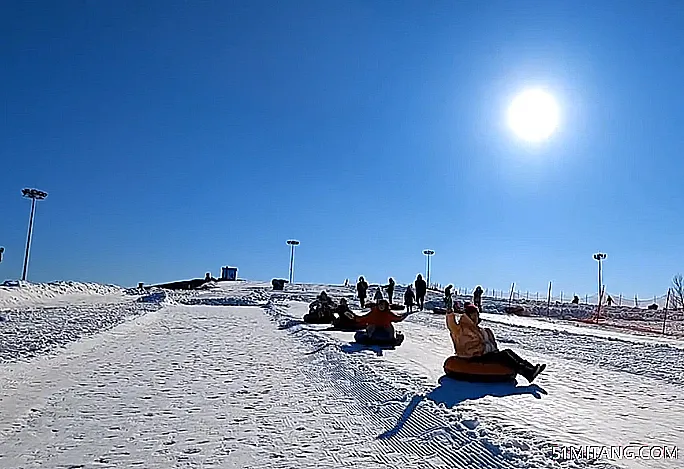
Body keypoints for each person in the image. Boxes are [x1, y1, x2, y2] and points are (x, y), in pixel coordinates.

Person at [446, 303, 545, 383]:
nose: (476, 317)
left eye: (477, 315)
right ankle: (529, 372)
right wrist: (449, 310)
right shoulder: (460, 328)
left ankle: (530, 369)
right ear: (468, 316)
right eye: (473, 315)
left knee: (507, 352)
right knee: (505, 355)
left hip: (482, 354)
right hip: (472, 357)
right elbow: (451, 324)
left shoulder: (477, 328)